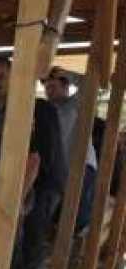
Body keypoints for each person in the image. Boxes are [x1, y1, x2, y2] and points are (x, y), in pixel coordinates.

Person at [0, 57, 65, 269]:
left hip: (38, 186)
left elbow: (35, 159)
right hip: (10, 189)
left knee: (30, 243)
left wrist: (17, 202)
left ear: (15, 78)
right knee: (11, 245)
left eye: (1, 77)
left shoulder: (36, 108)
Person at [43, 66, 98, 231]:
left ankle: (78, 246)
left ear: (66, 87)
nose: (49, 92)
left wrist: (66, 73)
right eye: (46, 88)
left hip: (82, 167)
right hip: (60, 171)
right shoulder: (47, 111)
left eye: (53, 87)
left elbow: (90, 84)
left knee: (77, 216)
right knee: (57, 217)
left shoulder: (76, 104)